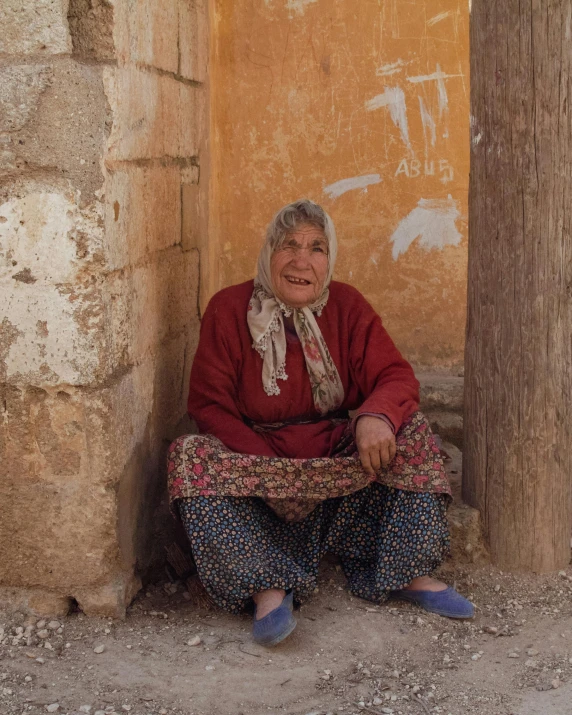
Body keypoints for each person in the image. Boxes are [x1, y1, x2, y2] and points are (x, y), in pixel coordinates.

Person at [167, 199, 473, 647]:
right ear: (269, 252)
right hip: (257, 471)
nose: (300, 260)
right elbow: (208, 406)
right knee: (188, 456)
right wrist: (271, 473)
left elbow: (395, 377)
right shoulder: (229, 308)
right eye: (288, 244)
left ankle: (408, 572)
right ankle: (266, 588)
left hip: (334, 469)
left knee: (411, 431)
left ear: (328, 260)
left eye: (316, 248)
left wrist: (375, 416)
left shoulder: (347, 305)